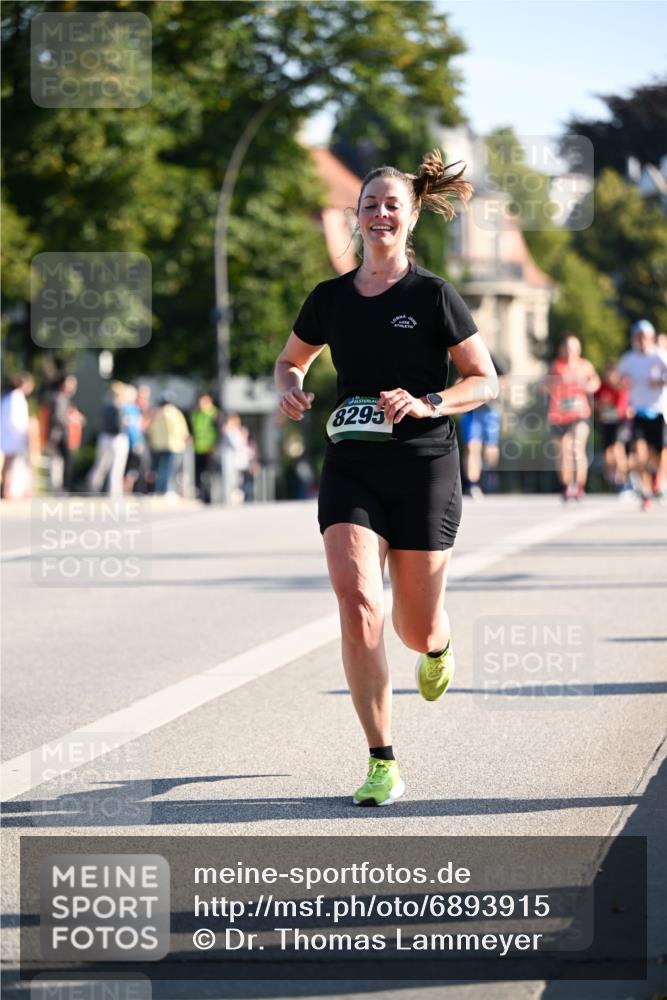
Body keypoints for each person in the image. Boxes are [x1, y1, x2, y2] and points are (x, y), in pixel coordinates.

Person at [274, 150, 497, 806]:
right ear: (356, 218)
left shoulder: (432, 297)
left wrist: (431, 402)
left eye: (390, 205)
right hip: (352, 464)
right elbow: (292, 361)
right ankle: (381, 760)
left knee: (413, 627)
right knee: (357, 602)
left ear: (409, 219)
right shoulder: (330, 299)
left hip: (425, 467)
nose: (378, 214)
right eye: (368, 205)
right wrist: (290, 387)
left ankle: (440, 642)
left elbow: (484, 380)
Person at [617, 320, 667, 511]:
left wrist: (661, 381)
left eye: (645, 336)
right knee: (639, 455)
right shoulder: (628, 359)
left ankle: (657, 481)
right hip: (638, 411)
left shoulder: (660, 356)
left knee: (660, 456)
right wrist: (622, 382)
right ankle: (646, 492)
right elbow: (617, 379)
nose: (641, 340)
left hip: (659, 411)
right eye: (638, 337)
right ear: (633, 339)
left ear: (651, 338)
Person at [546, 335, 600, 500]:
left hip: (579, 413)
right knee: (562, 452)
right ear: (562, 349)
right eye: (567, 348)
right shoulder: (556, 366)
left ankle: (579, 486)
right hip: (559, 415)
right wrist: (556, 383)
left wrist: (588, 385)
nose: (570, 352)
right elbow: (543, 385)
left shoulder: (585, 366)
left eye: (573, 348)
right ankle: (566, 485)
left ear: (578, 350)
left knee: (577, 448)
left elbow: (595, 382)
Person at [460, 353, 507, 497]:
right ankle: (473, 484)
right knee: (471, 446)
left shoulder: (491, 357)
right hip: (471, 411)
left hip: (490, 411)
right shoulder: (462, 356)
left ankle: (489, 473)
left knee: (490, 448)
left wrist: (488, 389)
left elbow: (505, 380)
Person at [88, 381, 130, 497]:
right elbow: (120, 426)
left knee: (101, 466)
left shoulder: (106, 406)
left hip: (105, 437)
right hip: (116, 439)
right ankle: (114, 493)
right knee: (115, 468)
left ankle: (93, 489)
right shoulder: (119, 407)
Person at [594, 362, 631, 493]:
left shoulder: (621, 388)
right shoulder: (602, 388)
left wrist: (605, 408)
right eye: (607, 373)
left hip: (620, 423)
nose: (609, 376)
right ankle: (615, 477)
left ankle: (626, 481)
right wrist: (601, 407)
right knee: (607, 454)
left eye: (612, 373)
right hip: (606, 424)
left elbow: (620, 410)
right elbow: (596, 405)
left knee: (617, 449)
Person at [147, 392, 191, 495]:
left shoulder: (155, 413)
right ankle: (166, 490)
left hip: (157, 445)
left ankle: (158, 490)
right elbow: (182, 430)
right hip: (173, 445)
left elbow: (150, 429)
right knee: (169, 470)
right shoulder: (175, 413)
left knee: (159, 470)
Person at [0, 372, 34, 499]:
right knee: (9, 465)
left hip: (10, 436)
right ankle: (7, 490)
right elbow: (15, 420)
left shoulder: (9, 396)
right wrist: (26, 428)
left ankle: (7, 490)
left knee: (9, 465)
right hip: (13, 437)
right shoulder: (16, 397)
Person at [46, 374, 79, 494]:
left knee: (64, 461)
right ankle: (63, 487)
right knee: (62, 460)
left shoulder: (65, 398)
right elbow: (58, 417)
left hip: (64, 434)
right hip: (58, 435)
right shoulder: (58, 397)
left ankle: (63, 487)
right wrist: (71, 420)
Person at [190, 391, 219, 503]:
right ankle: (200, 496)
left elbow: (219, 432)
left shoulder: (215, 414)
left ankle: (209, 497)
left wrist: (215, 445)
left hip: (210, 449)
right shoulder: (195, 414)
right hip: (197, 449)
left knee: (208, 474)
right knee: (198, 474)